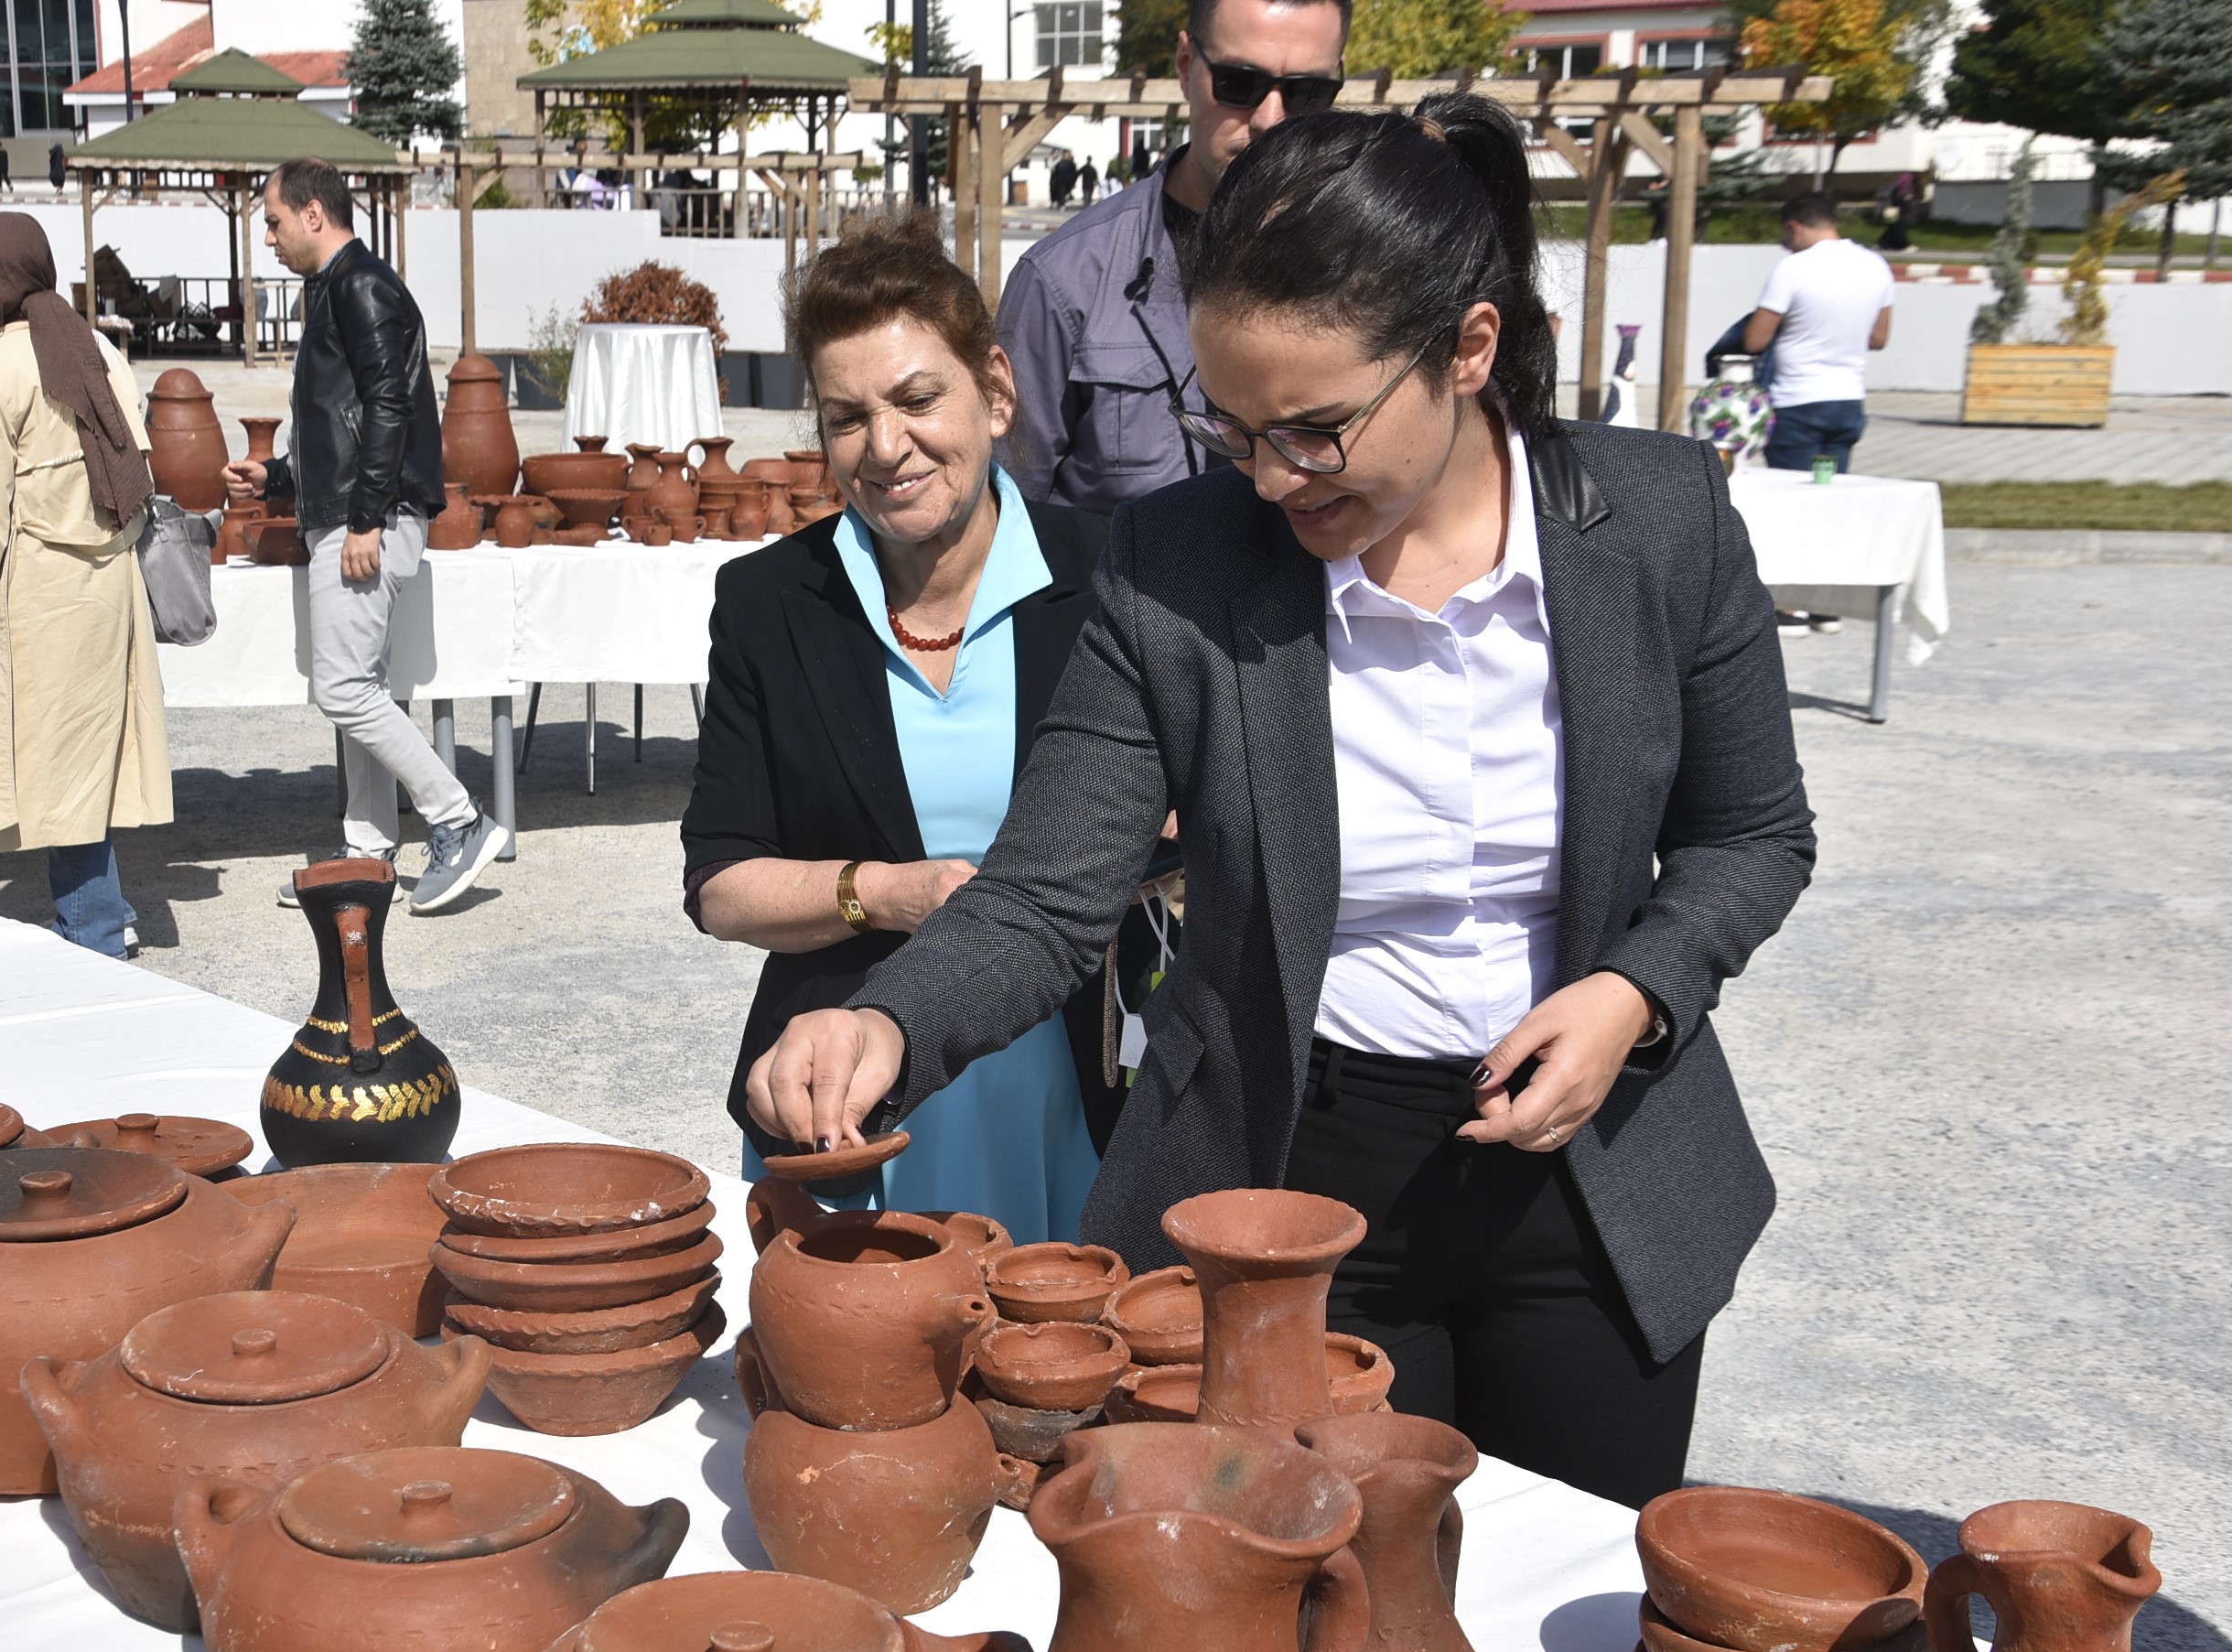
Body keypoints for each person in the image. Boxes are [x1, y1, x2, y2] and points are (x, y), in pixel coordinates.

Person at [743, 97, 1817, 1508]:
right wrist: (885, 1015)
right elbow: (1050, 890)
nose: (1267, 477)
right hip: (1298, 1185)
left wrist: (1635, 989)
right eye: (1231, 424)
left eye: (1314, 432)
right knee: (1328, 1614)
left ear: (1467, 349)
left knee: (1571, 1615)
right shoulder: (1182, 563)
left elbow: (1753, 836)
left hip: (1596, 1173)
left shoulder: (1656, 521)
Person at [681, 213, 1119, 1241]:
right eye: (846, 416)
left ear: (997, 390)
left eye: (918, 398)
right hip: (848, 1096)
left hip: (1083, 1092)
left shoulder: (1109, 580)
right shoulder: (770, 601)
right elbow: (720, 883)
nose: (885, 447)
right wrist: (883, 893)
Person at [223, 157, 504, 913]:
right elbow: (345, 420)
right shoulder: (340, 289)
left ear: (315, 214)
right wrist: (278, 479)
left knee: (344, 689)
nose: (271, 240)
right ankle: (368, 851)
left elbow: (389, 407)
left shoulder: (360, 287)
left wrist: (365, 518)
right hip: (354, 512)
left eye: (275, 222)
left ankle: (459, 820)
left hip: (365, 522)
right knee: (361, 689)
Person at [0, 212, 170, 957]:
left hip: (41, 598)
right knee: (88, 766)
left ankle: (93, 934)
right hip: (109, 589)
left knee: (60, 776)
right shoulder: (97, 350)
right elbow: (142, 471)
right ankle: (104, 913)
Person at [993, 0, 1347, 513]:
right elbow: (1008, 513)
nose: (1271, 119)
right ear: (1186, 65)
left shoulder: (1371, 269)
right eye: (1238, 83)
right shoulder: (1063, 279)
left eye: (1306, 92)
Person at [1744, 192, 1893, 474]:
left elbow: (1755, 341)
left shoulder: (1793, 268)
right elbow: (1878, 338)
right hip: (1848, 398)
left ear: (1794, 227)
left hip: (1796, 400)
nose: (1787, 245)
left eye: (1786, 237)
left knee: (1796, 497)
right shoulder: (1876, 265)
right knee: (1832, 495)